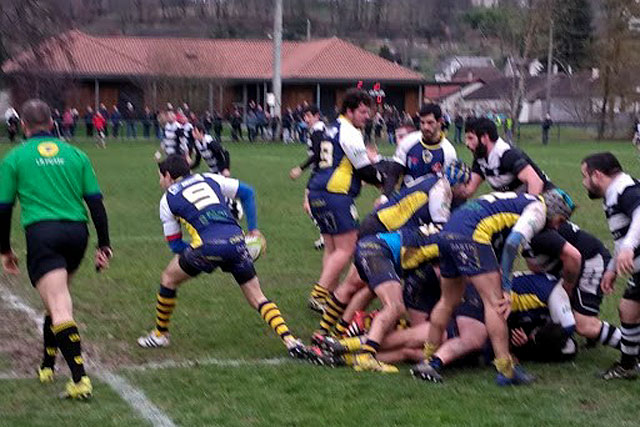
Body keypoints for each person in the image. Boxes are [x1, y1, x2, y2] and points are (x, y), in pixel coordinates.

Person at [136, 155, 312, 360]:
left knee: (168, 278)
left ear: (168, 176)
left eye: (160, 177)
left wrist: (202, 255)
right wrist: (253, 230)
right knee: (257, 296)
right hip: (237, 241)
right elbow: (247, 193)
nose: (160, 182)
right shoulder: (209, 178)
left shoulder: (167, 199)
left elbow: (175, 245)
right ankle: (290, 340)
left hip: (205, 248)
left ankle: (160, 334)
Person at [0, 99, 112, 399]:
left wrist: (4, 250)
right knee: (56, 299)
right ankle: (47, 364)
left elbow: (3, 208)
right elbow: (96, 203)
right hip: (77, 234)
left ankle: (79, 380)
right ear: (52, 123)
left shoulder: (15, 158)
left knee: (59, 303)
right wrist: (104, 244)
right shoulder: (76, 154)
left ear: (23, 126)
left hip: (43, 234)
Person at [411, 188, 575, 386]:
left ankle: (428, 359)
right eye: (560, 221)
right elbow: (513, 244)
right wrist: (506, 285)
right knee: (496, 303)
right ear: (555, 213)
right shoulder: (538, 210)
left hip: (448, 232)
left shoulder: (521, 199)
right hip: (471, 235)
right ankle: (506, 370)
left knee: (448, 300)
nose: (557, 228)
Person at [305, 89, 383, 313]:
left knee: (332, 248)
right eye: (362, 112)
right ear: (349, 111)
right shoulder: (350, 132)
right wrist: (382, 179)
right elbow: (365, 169)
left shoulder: (331, 128)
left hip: (319, 191)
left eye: (367, 112)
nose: (366, 116)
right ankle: (319, 295)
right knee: (347, 249)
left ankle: (329, 293)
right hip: (335, 194)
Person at [581, 152, 640, 379]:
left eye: (585, 176)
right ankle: (627, 366)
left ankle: (627, 366)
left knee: (629, 309)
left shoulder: (624, 189)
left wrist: (628, 248)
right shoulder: (615, 193)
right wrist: (612, 268)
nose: (584, 183)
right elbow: (622, 235)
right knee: (628, 309)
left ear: (597, 175)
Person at [522, 221, 621, 349]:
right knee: (562, 300)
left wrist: (568, 286)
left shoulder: (537, 233)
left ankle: (632, 343)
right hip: (579, 261)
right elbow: (535, 265)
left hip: (591, 260)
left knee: (584, 325)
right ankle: (594, 334)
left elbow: (574, 256)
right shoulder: (532, 227)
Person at [458, 118, 552, 199]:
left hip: (547, 198)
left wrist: (528, 212)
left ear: (484, 138)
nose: (466, 143)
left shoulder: (507, 155)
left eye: (470, 138)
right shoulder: (480, 159)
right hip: (519, 200)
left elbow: (536, 183)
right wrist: (453, 184)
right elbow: (468, 191)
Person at [382, 103, 457, 197]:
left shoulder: (448, 151)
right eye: (422, 122)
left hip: (430, 205)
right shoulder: (409, 141)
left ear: (440, 122)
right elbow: (394, 173)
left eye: (430, 123)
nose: (425, 127)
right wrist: (384, 196)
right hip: (405, 201)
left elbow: (449, 186)